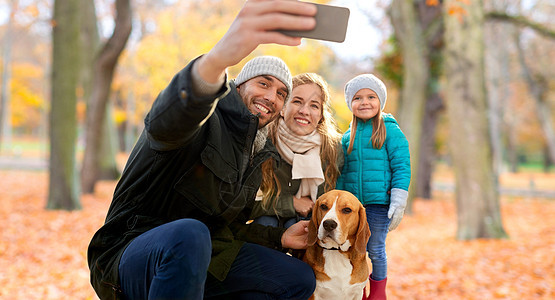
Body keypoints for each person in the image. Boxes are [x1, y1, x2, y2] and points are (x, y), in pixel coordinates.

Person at [87, 1, 320, 299]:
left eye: (281, 94)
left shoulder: (256, 152)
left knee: (297, 278)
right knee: (190, 234)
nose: (271, 97)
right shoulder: (204, 119)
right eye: (263, 83)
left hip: (203, 258)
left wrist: (279, 236)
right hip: (131, 254)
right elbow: (168, 122)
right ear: (238, 86)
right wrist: (216, 61)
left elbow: (228, 228)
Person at [335, 74, 411, 300]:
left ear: (380, 102)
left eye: (371, 97)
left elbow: (402, 165)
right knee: (353, 250)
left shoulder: (390, 131)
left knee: (375, 249)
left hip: (378, 204)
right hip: (353, 208)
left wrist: (398, 199)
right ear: (351, 104)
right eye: (357, 98)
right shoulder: (347, 137)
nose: (364, 102)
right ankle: (359, 289)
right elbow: (342, 172)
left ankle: (378, 293)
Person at [251, 73, 343, 229]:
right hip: (267, 221)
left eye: (314, 105)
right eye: (297, 101)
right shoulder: (262, 141)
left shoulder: (333, 149)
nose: (304, 111)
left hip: (310, 221)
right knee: (266, 223)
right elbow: (243, 204)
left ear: (321, 115)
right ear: (282, 108)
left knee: (304, 225)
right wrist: (291, 203)